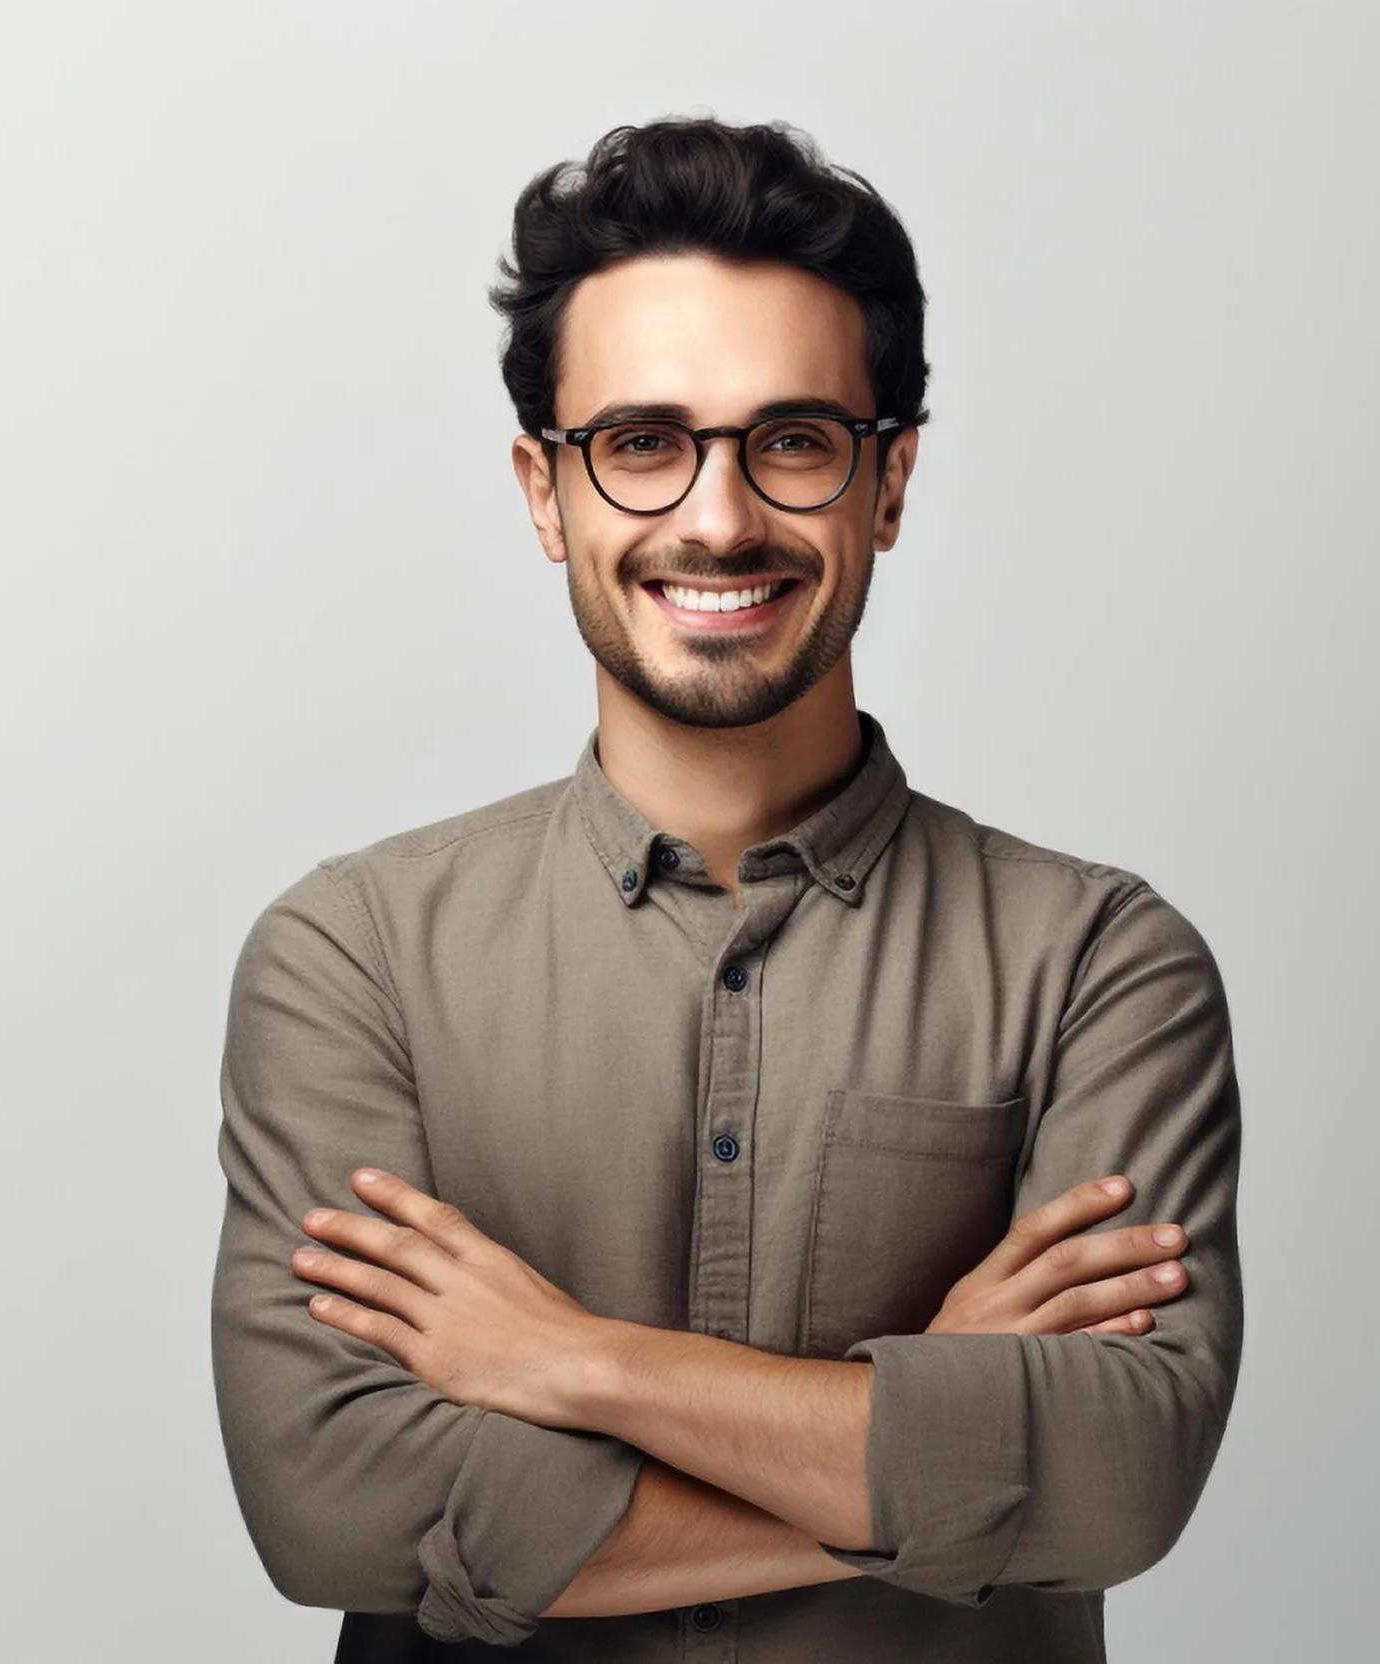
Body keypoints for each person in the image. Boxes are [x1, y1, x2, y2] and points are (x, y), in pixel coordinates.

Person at [210, 116, 1244, 1662]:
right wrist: (934, 1435)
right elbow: (333, 1507)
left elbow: (1116, 1479)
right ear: (545, 492)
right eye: (640, 442)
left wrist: (569, 1364)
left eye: (795, 439)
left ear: (887, 483)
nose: (717, 517)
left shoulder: (1100, 961)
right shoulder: (351, 957)